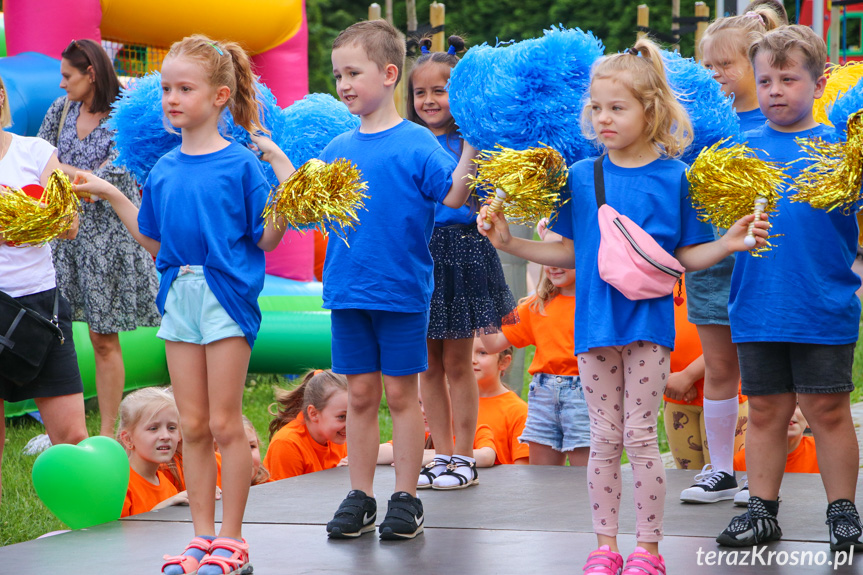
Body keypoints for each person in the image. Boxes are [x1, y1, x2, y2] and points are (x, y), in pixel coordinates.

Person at [478, 37, 769, 574]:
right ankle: (605, 546)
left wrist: (728, 243)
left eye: (618, 107)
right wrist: (510, 243)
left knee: (638, 434)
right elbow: (571, 249)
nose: (604, 118)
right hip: (595, 322)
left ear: (650, 109)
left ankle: (649, 550)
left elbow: (684, 255)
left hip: (649, 322)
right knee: (604, 436)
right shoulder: (582, 177)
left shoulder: (674, 177)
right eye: (596, 107)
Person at [74, 34, 292, 575]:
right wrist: (113, 194)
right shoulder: (165, 169)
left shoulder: (242, 165)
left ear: (220, 96)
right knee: (191, 425)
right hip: (178, 299)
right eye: (166, 88)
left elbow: (265, 239)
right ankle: (201, 537)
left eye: (185, 88)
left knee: (223, 422)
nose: (172, 98)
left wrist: (287, 193)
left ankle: (233, 539)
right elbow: (156, 243)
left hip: (225, 300)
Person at [319, 20, 478, 541]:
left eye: (353, 73)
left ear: (389, 74)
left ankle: (405, 496)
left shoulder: (416, 142)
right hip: (348, 291)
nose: (343, 84)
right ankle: (360, 494)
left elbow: (452, 196)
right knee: (360, 395)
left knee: (401, 395)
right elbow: (308, 206)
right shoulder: (337, 145)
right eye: (337, 74)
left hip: (402, 292)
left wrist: (473, 143)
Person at [715, 26, 863, 552]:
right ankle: (761, 511)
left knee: (827, 411)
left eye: (788, 78)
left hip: (824, 305)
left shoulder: (845, 151)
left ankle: (843, 513)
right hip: (758, 306)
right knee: (764, 411)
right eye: (766, 80)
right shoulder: (737, 149)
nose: (775, 89)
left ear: (820, 82)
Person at [679, 5, 782, 503]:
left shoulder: (773, 118)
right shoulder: (694, 124)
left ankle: (760, 475)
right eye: (709, 66)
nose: (716, 74)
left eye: (727, 65)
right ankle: (720, 470)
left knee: (762, 372)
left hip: (764, 264)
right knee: (720, 368)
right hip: (711, 259)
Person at [408, 36, 517, 490]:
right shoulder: (408, 139)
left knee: (458, 362)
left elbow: (490, 192)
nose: (429, 100)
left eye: (440, 90)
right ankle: (439, 452)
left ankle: (464, 454)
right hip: (418, 253)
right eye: (421, 92)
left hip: (461, 252)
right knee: (427, 366)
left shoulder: (473, 141)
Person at [37, 38, 160, 438]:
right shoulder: (60, 111)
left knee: (103, 339)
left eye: (67, 76)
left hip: (109, 241)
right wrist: (78, 179)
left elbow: (110, 181)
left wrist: (67, 174)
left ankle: (109, 433)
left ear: (91, 73)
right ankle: (57, 423)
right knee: (53, 330)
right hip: (64, 237)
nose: (61, 85)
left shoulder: (125, 118)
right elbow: (40, 167)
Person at [0, 73, 88, 510]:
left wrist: (18, 218)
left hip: (40, 306)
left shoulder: (35, 152)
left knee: (71, 437)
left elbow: (68, 224)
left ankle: (88, 523)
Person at [480, 225, 588, 467]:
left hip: (586, 394)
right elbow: (495, 343)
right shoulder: (535, 305)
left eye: (559, 251)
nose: (552, 261)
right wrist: (480, 303)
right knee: (542, 479)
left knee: (586, 479)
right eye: (545, 252)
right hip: (543, 397)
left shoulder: (598, 303)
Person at [664, 275, 749, 497]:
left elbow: (727, 338)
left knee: (726, 468)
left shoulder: (717, 276)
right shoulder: (660, 279)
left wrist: (688, 375)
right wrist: (669, 376)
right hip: (676, 395)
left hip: (726, 396)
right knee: (690, 476)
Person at [264, 369, 348, 481]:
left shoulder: (338, 436)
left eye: (355, 415)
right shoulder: (288, 444)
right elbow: (284, 496)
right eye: (342, 417)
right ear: (313, 413)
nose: (351, 424)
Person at [117, 387, 189, 517]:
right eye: (153, 428)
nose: (165, 436)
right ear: (128, 439)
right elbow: (114, 533)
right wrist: (162, 507)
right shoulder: (120, 485)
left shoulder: (168, 486)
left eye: (171, 428)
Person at [470, 339, 529, 465]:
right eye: (466, 351)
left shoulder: (519, 411)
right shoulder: (447, 404)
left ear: (504, 362)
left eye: (482, 353)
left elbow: (522, 472)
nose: (472, 359)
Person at [243, 416, 271, 486]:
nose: (247, 456)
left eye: (251, 446)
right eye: (234, 449)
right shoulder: (213, 492)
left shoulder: (269, 487)